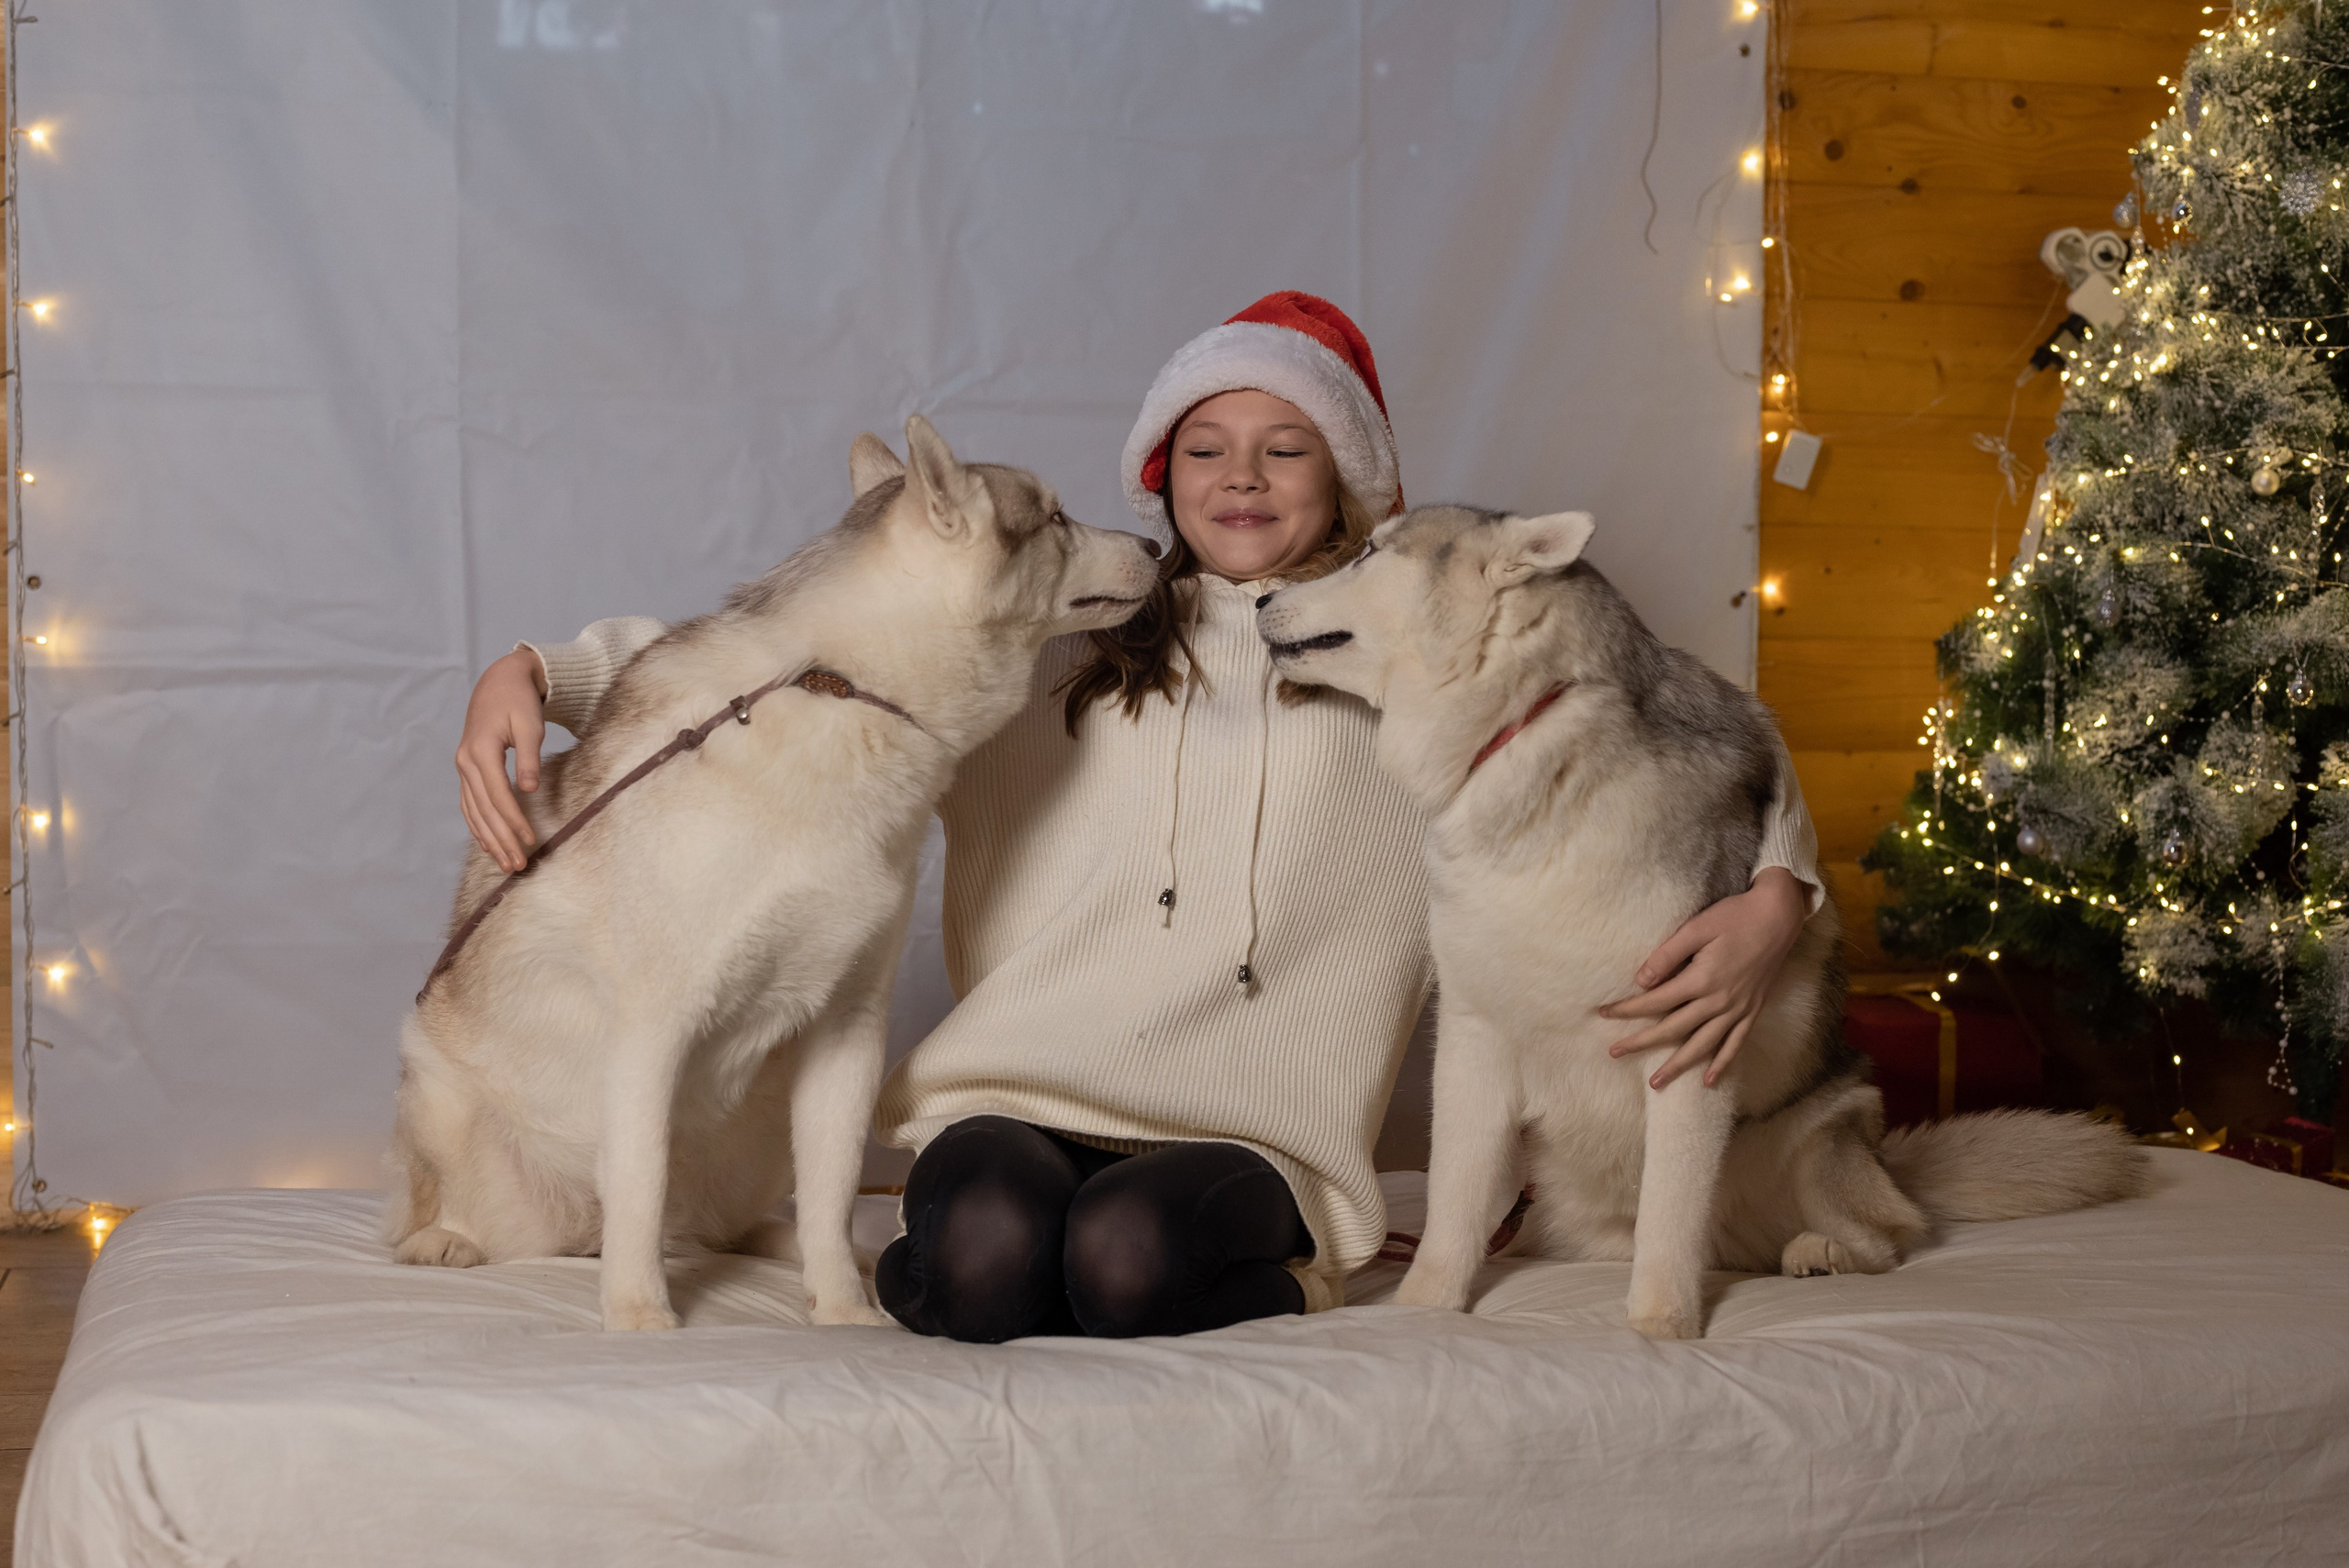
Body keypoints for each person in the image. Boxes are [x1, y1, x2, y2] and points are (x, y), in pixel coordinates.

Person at [451, 292, 1821, 1342]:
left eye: (1288, 448)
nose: (1243, 473)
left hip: (1252, 1130)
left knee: (1122, 1263)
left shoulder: (1430, 672)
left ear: (1350, 483)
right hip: (1025, 1091)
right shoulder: (1050, 635)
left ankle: (1284, 1260)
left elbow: (1680, 726)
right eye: (1206, 446)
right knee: (985, 1257)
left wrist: (1780, 891)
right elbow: (796, 657)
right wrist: (543, 670)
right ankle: (1001, 1242)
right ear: (1159, 475)